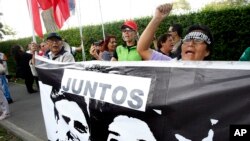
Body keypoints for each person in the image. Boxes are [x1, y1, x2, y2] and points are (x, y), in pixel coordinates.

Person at [137, 3, 213, 61]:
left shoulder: (216, 77)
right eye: (187, 40)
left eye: (198, 40)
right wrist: (157, 18)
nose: (191, 43)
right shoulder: (170, 64)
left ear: (207, 51)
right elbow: (143, 49)